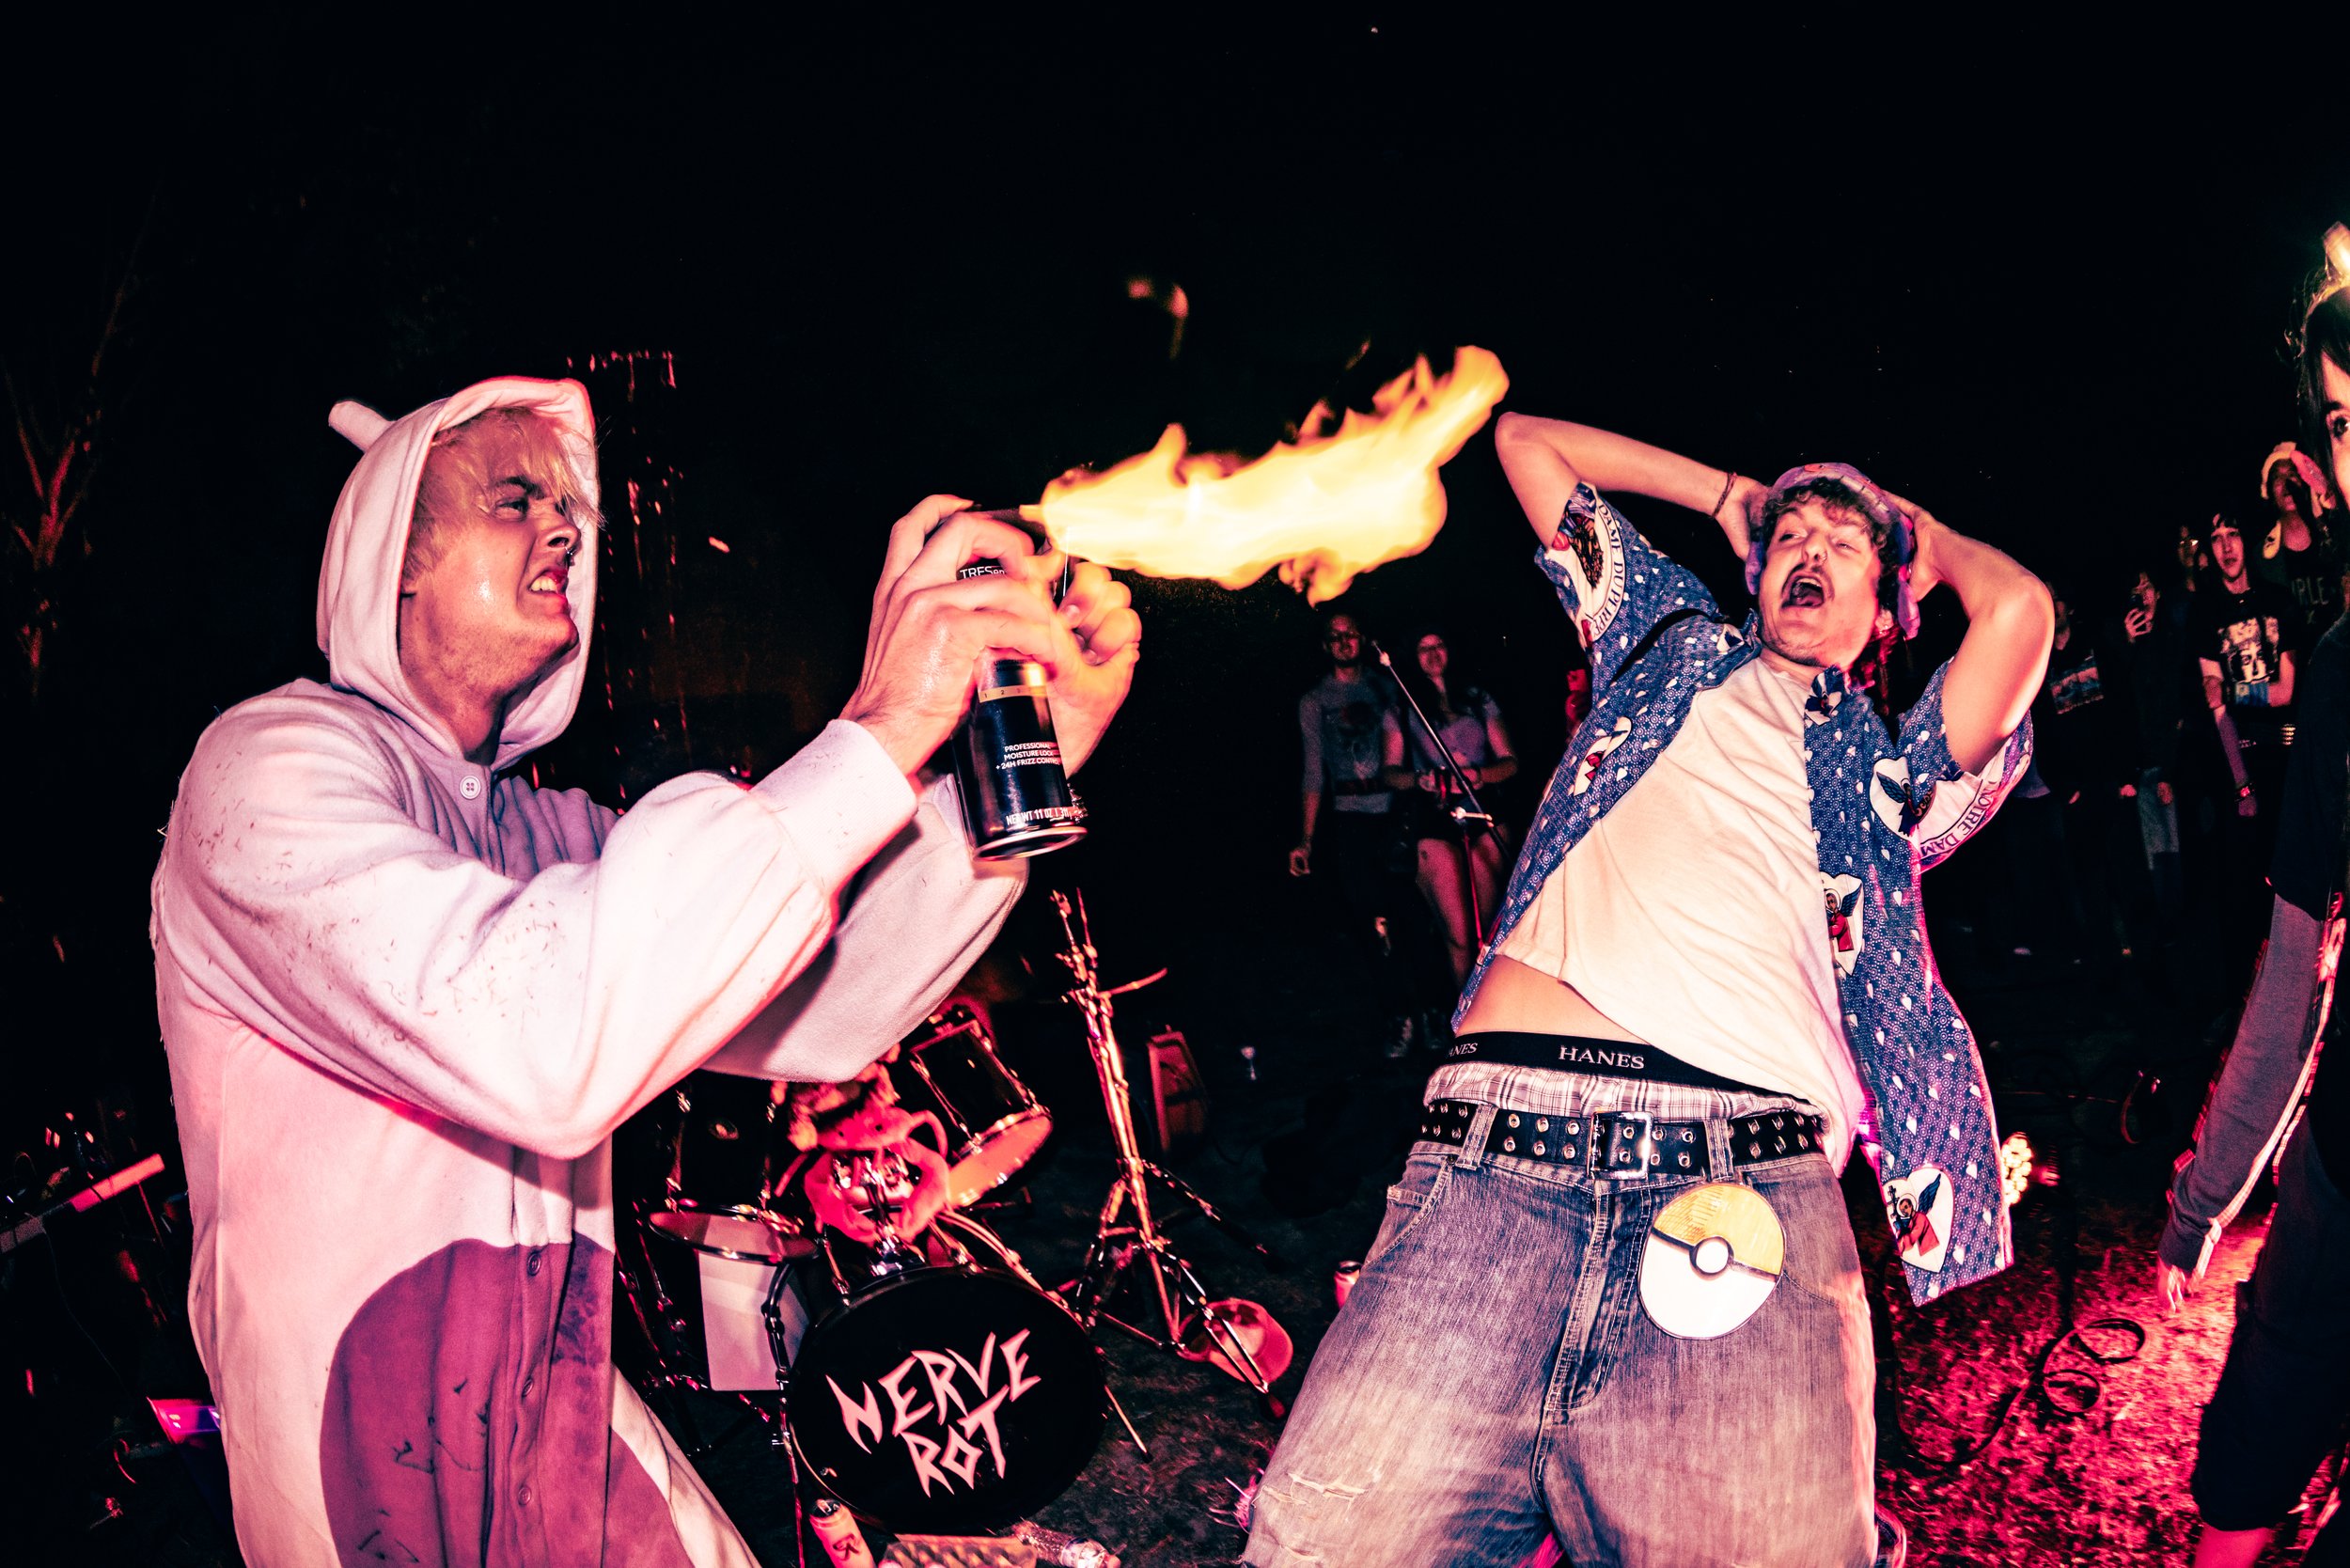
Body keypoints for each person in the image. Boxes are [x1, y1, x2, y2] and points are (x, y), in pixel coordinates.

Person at [147, 379, 1139, 1567]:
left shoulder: (539, 828)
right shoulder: (268, 768)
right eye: (514, 500)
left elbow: (816, 1010)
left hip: (558, 1391)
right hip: (360, 1431)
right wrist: (880, 722)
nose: (564, 529)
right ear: (392, 563)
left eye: (569, 507)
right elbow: (537, 1043)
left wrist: (1007, 774)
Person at [1246, 414, 2049, 1568]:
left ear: (1886, 610)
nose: (1809, 549)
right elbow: (1523, 444)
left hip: (1744, 1175)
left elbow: (2017, 609)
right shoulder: (1661, 640)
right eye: (1791, 537)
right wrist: (1727, 494)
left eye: (1843, 545)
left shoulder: (1891, 765)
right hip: (1491, 1157)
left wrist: (1916, 536)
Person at [2155, 222, 2350, 1568]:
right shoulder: (2340, 671)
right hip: (2346, 1170)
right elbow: (2293, 978)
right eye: (2343, 421)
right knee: (2241, 1474)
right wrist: (2206, 1195)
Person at [1290, 608, 1416, 1054]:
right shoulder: (1315, 701)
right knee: (1372, 924)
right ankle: (1398, 1016)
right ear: (1326, 646)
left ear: (1363, 638)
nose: (1344, 642)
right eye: (1335, 636)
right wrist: (1306, 840)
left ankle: (1432, 1012)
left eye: (1351, 634)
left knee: (1411, 918)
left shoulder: (1388, 687)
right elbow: (1312, 772)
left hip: (1396, 816)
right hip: (1350, 821)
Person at [2193, 508, 2304, 983]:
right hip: (2239, 761)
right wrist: (2241, 784)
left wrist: (2234, 692)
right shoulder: (2205, 615)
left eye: (2233, 534)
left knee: (2292, 881)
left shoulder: (2278, 600)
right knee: (2242, 892)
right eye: (2216, 537)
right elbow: (2214, 709)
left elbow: (2286, 692)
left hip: (2286, 757)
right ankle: (2248, 993)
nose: (2226, 546)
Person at [1382, 628, 1518, 983]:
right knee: (1459, 936)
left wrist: (1479, 775)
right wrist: (1420, 780)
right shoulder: (1402, 708)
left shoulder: (1478, 699)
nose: (1432, 653)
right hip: (1434, 818)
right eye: (1423, 648)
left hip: (1482, 811)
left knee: (1487, 931)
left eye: (1438, 645)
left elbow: (1509, 762)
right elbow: (1390, 773)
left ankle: (1492, 1004)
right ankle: (1465, 1010)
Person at [2256, 441, 2342, 637]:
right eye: (2277, 477)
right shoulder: (2262, 560)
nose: (2286, 482)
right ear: (2268, 492)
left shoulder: (2334, 540)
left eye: (2292, 474)